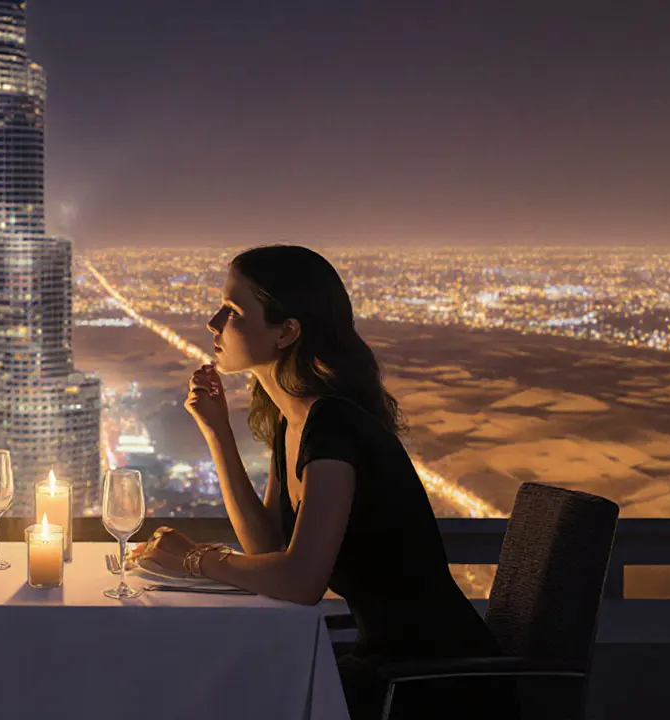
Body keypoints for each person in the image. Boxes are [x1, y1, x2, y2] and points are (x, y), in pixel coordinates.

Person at [139, 245, 516, 719]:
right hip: (392, 670)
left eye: (233, 311)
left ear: (287, 331)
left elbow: (300, 581)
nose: (214, 323)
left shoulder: (332, 425)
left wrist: (195, 560)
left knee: (218, 692)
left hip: (437, 687)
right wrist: (217, 433)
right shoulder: (291, 421)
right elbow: (268, 549)